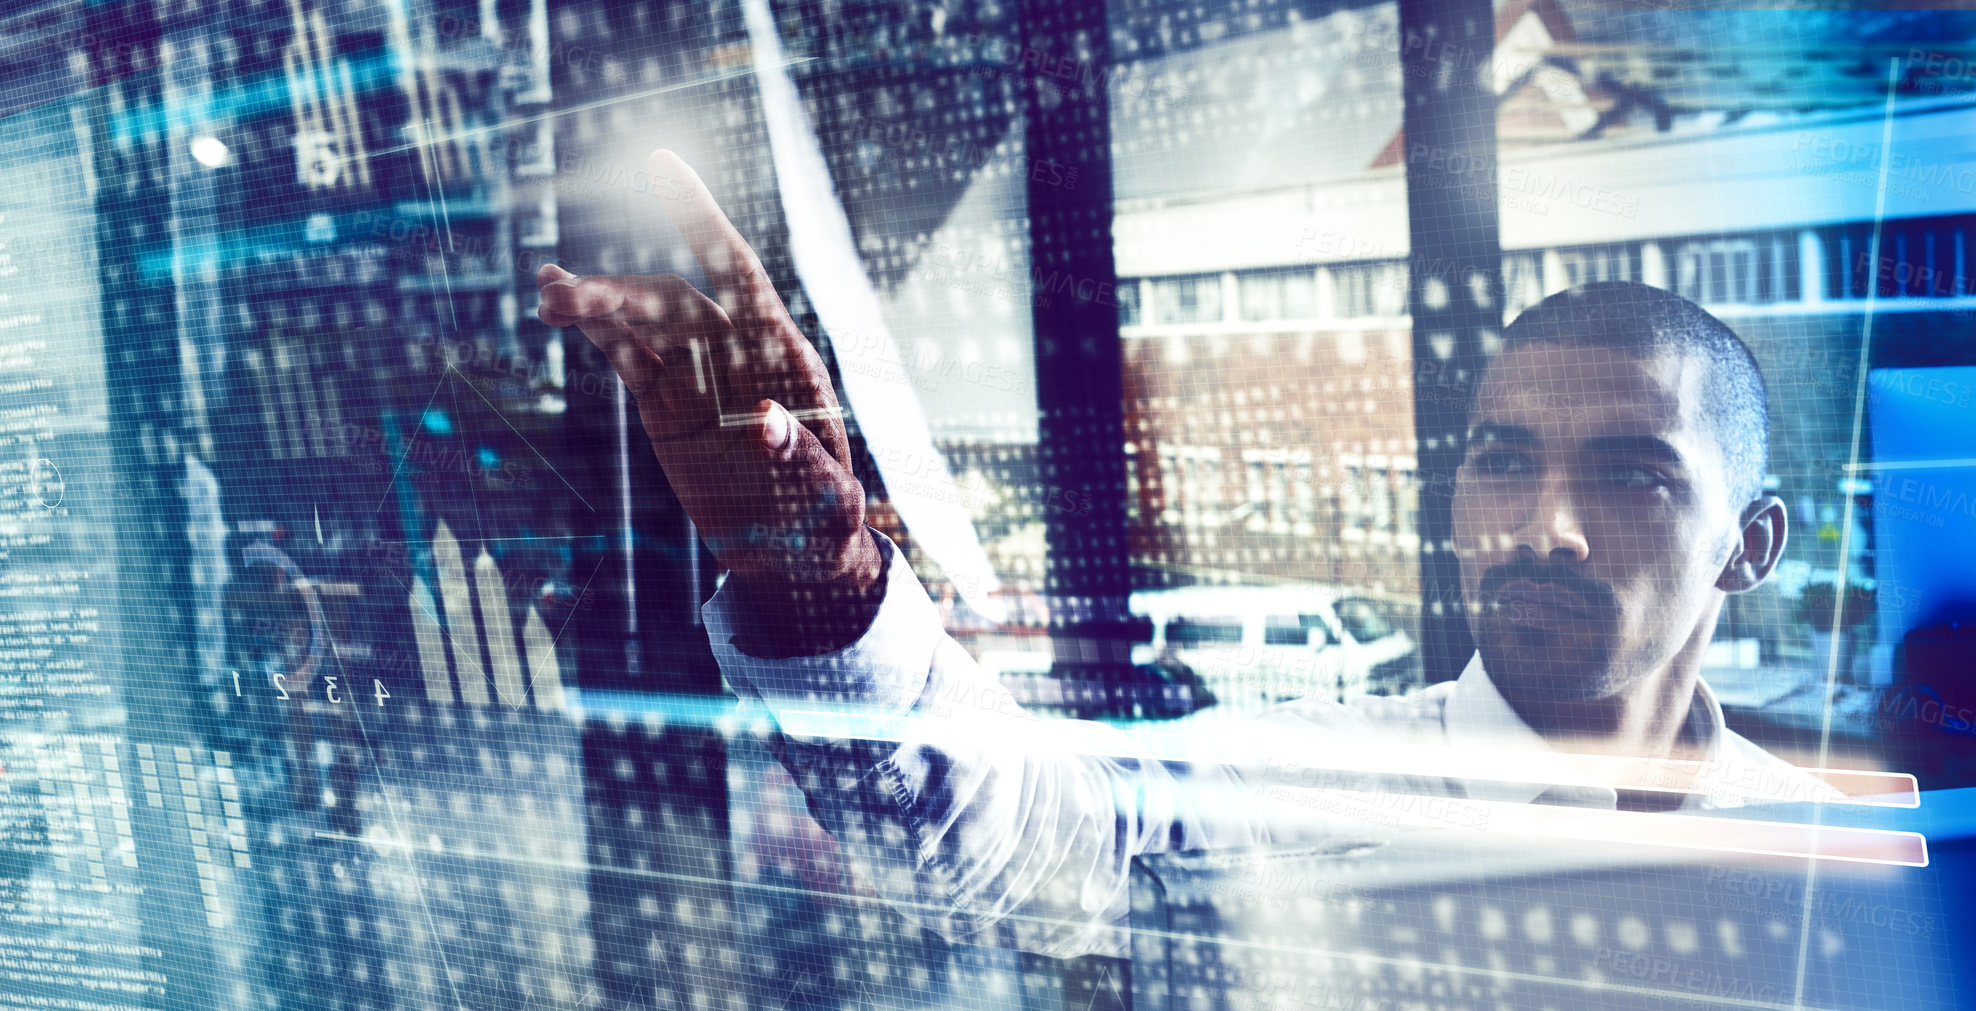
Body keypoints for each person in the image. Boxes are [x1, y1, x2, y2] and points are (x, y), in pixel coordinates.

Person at [536, 150, 1839, 957]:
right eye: (1501, 458)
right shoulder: (1309, 784)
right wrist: (820, 579)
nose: (1544, 523)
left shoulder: (1842, 856)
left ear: (1752, 547)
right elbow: (1035, 831)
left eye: (1630, 472)